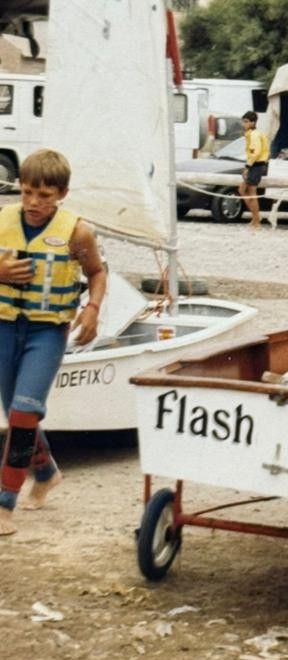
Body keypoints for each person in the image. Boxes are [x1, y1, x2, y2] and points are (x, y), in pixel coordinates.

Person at [0, 149, 106, 536]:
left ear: (61, 194)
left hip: (47, 332)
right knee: (16, 416)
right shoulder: (1, 222)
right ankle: (45, 472)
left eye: (44, 196)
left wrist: (93, 308)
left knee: (24, 414)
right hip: (5, 327)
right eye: (27, 192)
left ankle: (4, 504)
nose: (32, 203)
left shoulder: (77, 232)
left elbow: (96, 272)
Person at [238, 111, 270, 229]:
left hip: (256, 165)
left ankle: (256, 220)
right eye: (243, 121)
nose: (244, 124)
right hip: (256, 164)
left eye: (246, 122)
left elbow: (255, 152)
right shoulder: (252, 134)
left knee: (251, 192)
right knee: (243, 190)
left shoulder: (254, 134)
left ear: (253, 122)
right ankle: (255, 218)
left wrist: (247, 167)